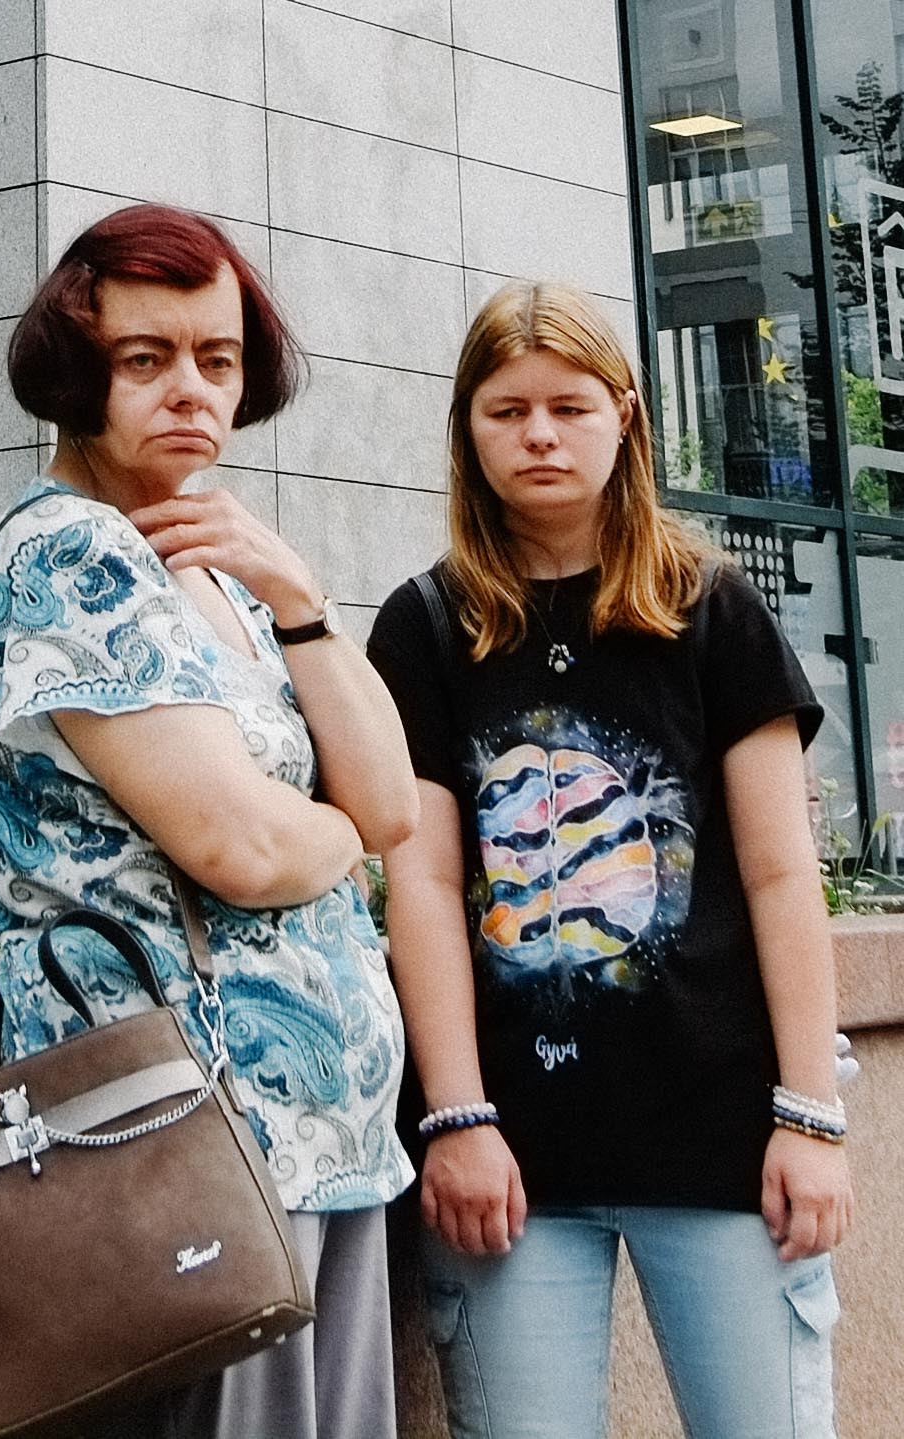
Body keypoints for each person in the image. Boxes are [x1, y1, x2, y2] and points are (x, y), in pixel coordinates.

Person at [367, 280, 853, 1439]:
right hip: (507, 1159)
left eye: (568, 407)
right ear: (466, 428)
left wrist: (809, 1115)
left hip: (724, 1134)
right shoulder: (423, 626)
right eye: (506, 410)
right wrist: (454, 1116)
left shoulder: (708, 607)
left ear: (623, 415)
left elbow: (781, 873)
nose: (538, 434)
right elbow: (419, 882)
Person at [0, 202, 419, 1438]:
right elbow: (246, 846)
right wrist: (333, 830)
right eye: (144, 357)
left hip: (319, 1143)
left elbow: (391, 800)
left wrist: (299, 596)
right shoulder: (66, 558)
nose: (190, 389)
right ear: (78, 372)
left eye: (216, 359)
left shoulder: (213, 561)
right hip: (185, 1146)